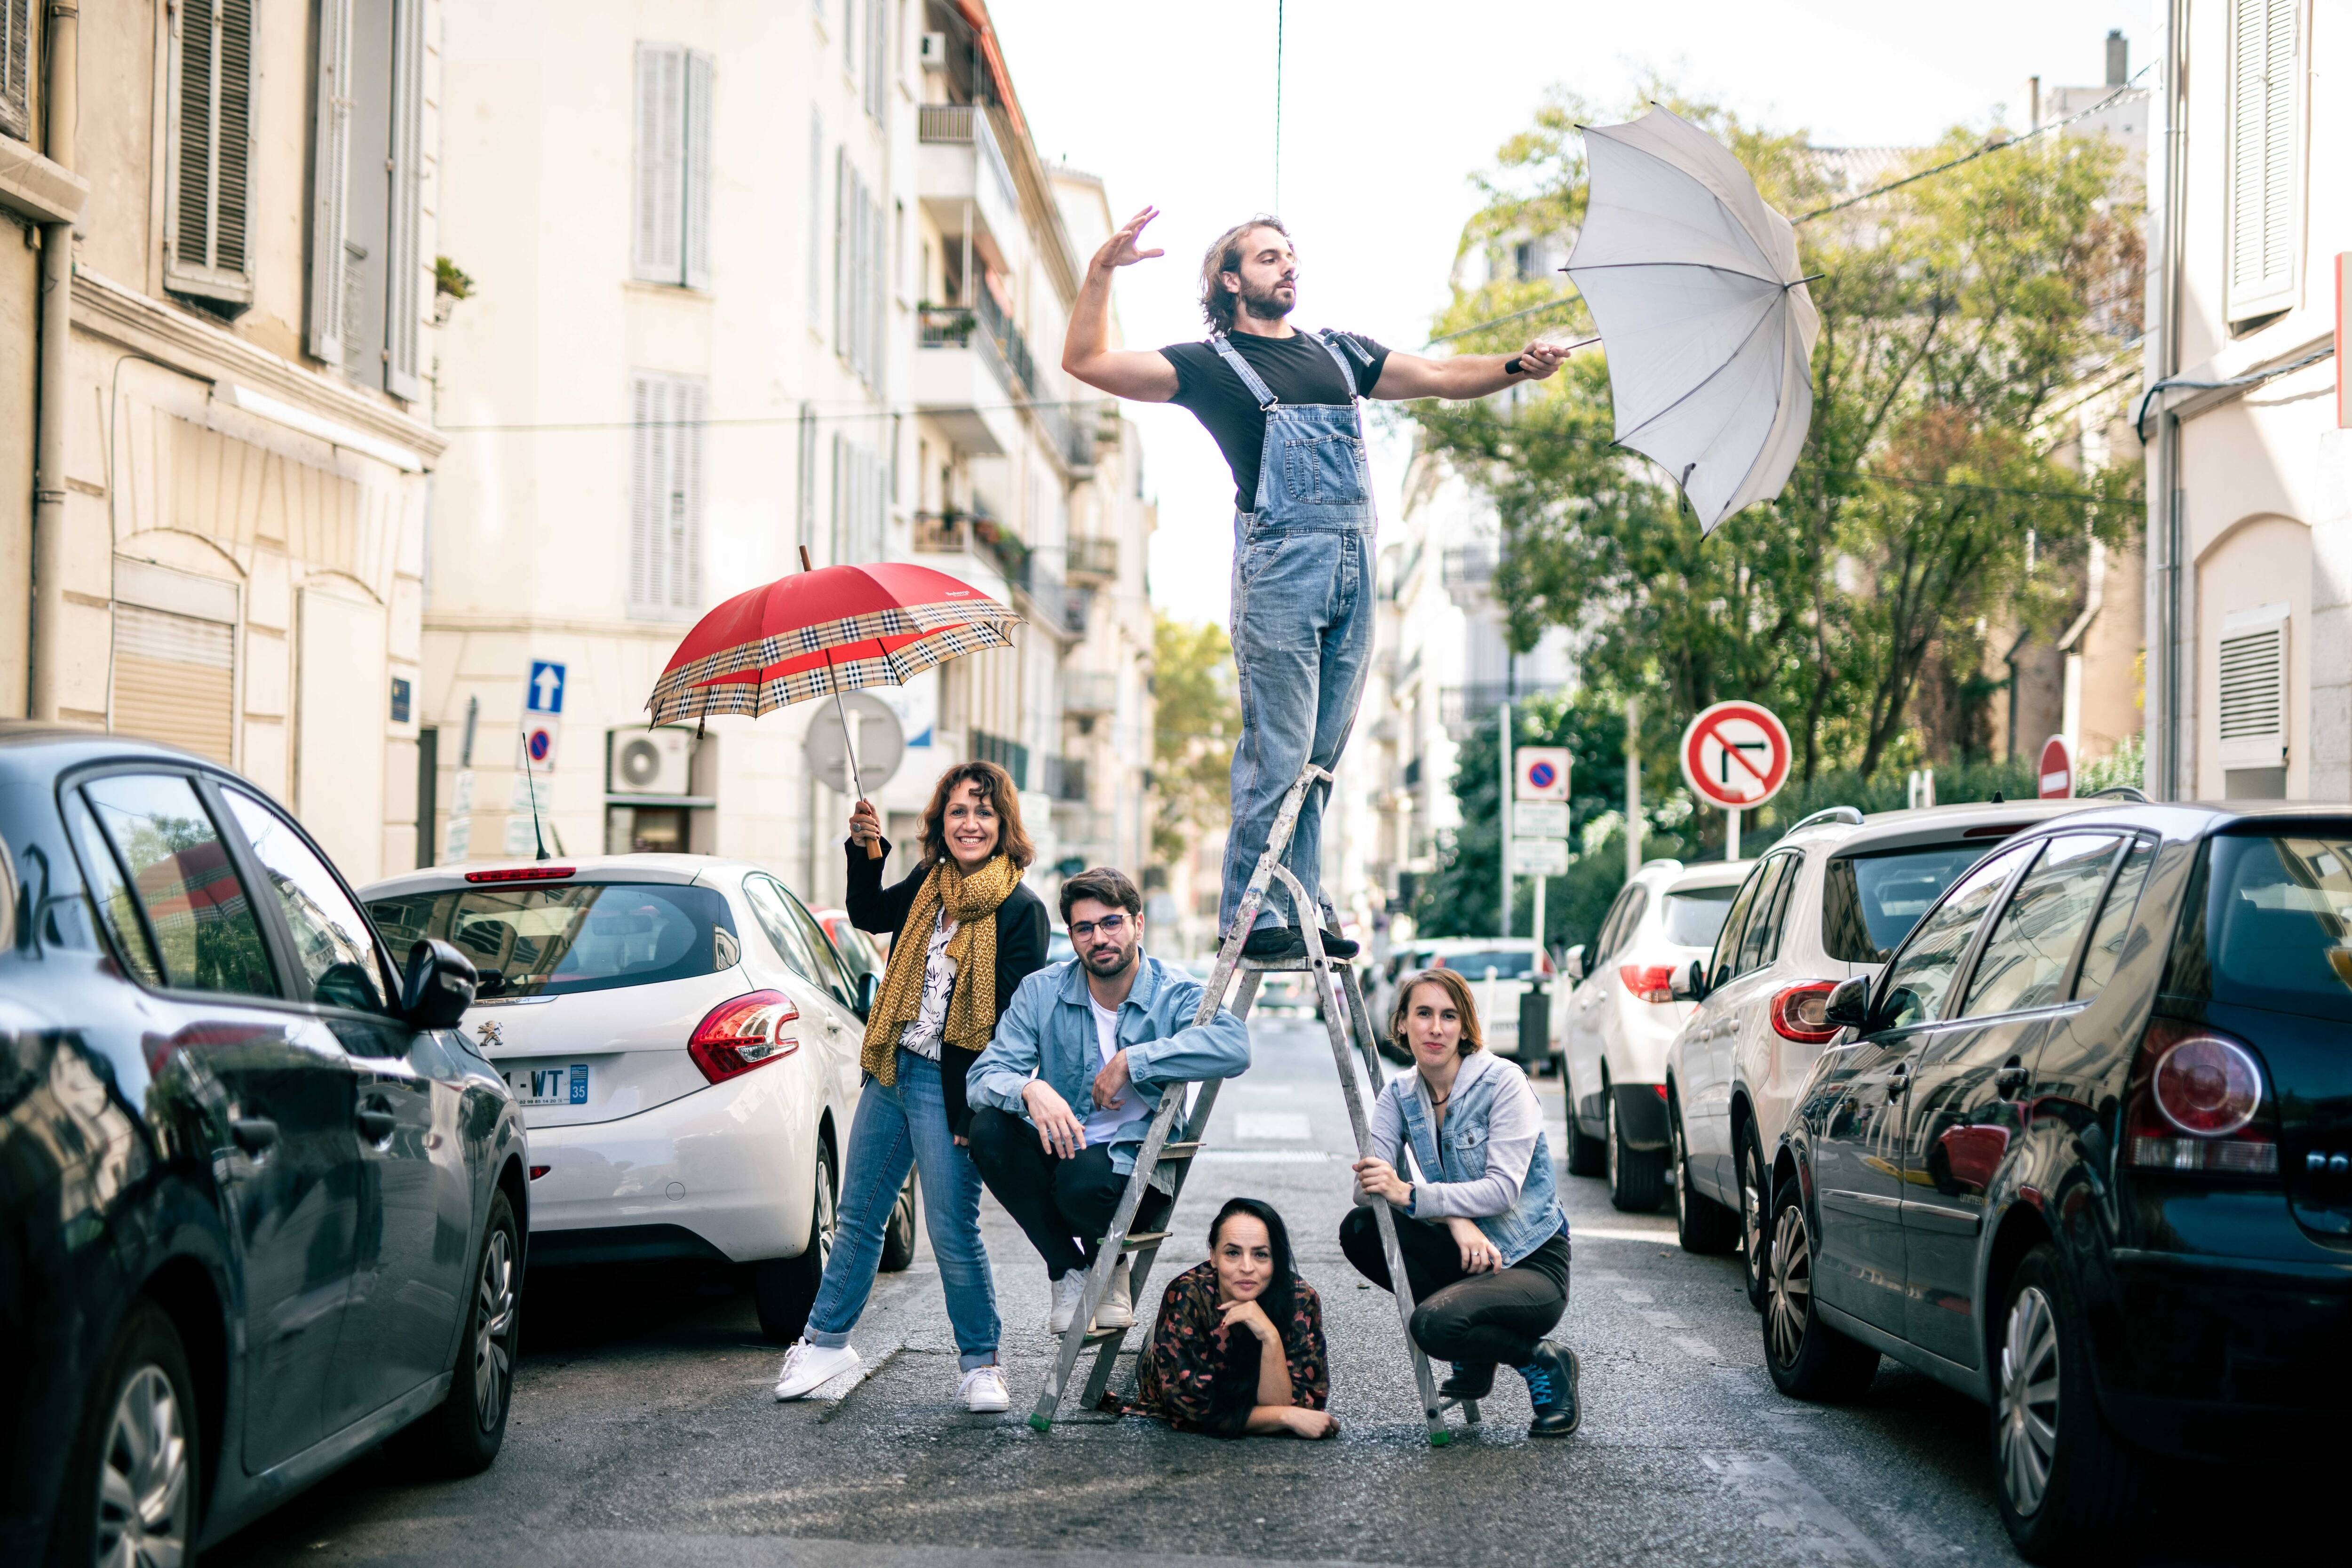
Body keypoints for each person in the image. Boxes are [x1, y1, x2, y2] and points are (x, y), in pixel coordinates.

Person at [1061, 211, 1567, 963]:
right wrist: (1102, 271)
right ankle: (1249, 912)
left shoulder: (1340, 353)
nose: (1288, 266)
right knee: (1280, 748)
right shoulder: (1208, 366)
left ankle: (1301, 901)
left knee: (1321, 756)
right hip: (1281, 573)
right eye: (1269, 257)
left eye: (1291, 256)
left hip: (1356, 566)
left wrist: (1518, 365)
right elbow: (1087, 361)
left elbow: (1438, 378)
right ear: (1230, 280)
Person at [772, 761, 1050, 1413]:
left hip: (951, 1090)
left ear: (1004, 825)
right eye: (958, 811)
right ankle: (825, 1341)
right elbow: (868, 913)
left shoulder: (1022, 911)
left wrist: (973, 1109)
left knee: (952, 1230)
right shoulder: (930, 883)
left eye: (983, 812)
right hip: (892, 1068)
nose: (970, 824)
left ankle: (981, 1364)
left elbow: (1011, 1028)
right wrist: (865, 848)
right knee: (859, 1217)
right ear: (940, 822)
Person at [967, 867, 1251, 1335]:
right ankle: (1070, 1271)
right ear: (1072, 937)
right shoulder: (1042, 992)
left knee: (1081, 1179)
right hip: (1063, 1153)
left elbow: (1234, 1047)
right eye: (1084, 928)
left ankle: (1109, 1262)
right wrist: (1030, 1090)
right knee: (988, 1130)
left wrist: (1132, 1061)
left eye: (1111, 923)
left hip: (1134, 1172)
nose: (1099, 938)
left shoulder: (1174, 992)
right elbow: (983, 1078)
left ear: (1138, 924)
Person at [1340, 968, 1580, 1437]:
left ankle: (1544, 1361)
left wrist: (1413, 1194)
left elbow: (1502, 1190)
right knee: (1361, 1229)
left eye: (1449, 1016)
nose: (1435, 1028)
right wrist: (1453, 1216)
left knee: (1432, 1326)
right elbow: (1366, 1189)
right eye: (1423, 1014)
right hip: (1467, 1256)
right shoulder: (1399, 1094)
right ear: (1402, 1023)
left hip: (1530, 1262)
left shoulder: (1503, 1082)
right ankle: (1472, 1347)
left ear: (1465, 1026)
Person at [1105, 1197, 1336, 1439]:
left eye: (1261, 1255)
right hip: (1167, 1347)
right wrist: (1284, 1417)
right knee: (1159, 1342)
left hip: (1229, 1374)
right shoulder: (1186, 1295)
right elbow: (1191, 1412)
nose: (1247, 1267)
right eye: (1233, 1253)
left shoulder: (1301, 1298)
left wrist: (1270, 1337)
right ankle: (1158, 1330)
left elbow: (1301, 1404)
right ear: (1213, 1256)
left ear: (1276, 1260)